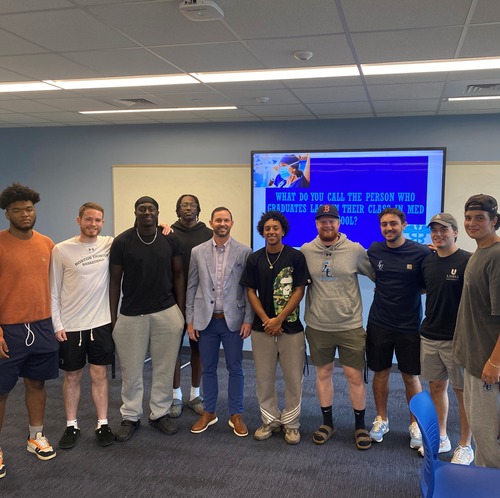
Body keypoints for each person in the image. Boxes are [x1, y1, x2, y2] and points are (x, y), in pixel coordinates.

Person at [109, 196, 185, 442]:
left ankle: (159, 413)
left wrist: (181, 312)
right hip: (131, 315)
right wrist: (113, 317)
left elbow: (179, 274)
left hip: (166, 312)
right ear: (136, 212)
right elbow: (114, 280)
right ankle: (131, 416)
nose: (147, 212)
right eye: (142, 209)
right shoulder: (123, 241)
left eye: (151, 209)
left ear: (157, 212)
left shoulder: (169, 238)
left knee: (164, 368)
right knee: (131, 370)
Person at [300, 205, 374, 449]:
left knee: (354, 376)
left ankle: (360, 426)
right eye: (322, 221)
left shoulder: (355, 250)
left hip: (350, 325)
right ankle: (327, 423)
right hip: (318, 325)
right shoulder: (306, 250)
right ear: (317, 224)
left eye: (332, 221)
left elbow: (379, 275)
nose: (327, 225)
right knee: (323, 374)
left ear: (339, 223)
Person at [0, 183, 59, 479]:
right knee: (1, 391)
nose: (25, 214)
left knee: (37, 383)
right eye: (17, 210)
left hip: (43, 326)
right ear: (7, 213)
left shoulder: (47, 243)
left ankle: (35, 436)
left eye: (29, 208)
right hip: (7, 329)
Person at [240, 210, 311, 445]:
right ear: (262, 231)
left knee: (293, 378)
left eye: (275, 228)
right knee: (264, 377)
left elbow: (300, 289)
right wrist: (266, 320)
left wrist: (279, 319)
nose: (271, 232)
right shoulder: (255, 258)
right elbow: (250, 291)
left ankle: (291, 424)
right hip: (263, 330)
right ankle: (269, 421)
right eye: (267, 228)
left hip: (290, 328)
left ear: (283, 231)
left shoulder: (295, 256)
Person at [50, 202, 115, 449]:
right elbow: (53, 291)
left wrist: (164, 226)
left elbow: (137, 234)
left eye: (98, 220)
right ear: (78, 220)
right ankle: (71, 425)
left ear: (102, 222)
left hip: (100, 323)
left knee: (99, 375)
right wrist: (57, 324)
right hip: (71, 325)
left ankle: (102, 423)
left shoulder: (109, 244)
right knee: (73, 376)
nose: (93, 224)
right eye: (88, 219)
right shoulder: (62, 250)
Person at [186, 207, 253, 436]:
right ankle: (209, 412)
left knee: (236, 368)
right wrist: (190, 321)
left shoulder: (244, 251)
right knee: (209, 369)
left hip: (233, 321)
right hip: (206, 321)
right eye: (218, 220)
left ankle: (236, 414)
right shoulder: (197, 252)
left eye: (226, 220)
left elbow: (248, 288)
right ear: (211, 222)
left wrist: (248, 319)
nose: (222, 223)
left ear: (232, 223)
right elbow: (192, 286)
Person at [366, 207, 430, 449]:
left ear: (404, 224)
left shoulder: (421, 252)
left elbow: (426, 285)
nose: (388, 228)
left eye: (393, 223)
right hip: (379, 323)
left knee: (410, 376)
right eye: (384, 224)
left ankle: (414, 424)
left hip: (409, 326)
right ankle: (381, 419)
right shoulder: (375, 250)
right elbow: (378, 277)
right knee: (380, 373)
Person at [418, 213, 473, 464]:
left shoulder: (467, 261)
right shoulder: (428, 261)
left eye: (444, 229)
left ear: (455, 232)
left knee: (463, 393)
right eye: (434, 230)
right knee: (437, 388)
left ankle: (465, 444)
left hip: (457, 340)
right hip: (429, 335)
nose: (438, 234)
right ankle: (441, 437)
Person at [453, 194, 500, 469]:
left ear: (494, 221)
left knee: (488, 437)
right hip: (475, 361)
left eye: (480, 218)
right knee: (482, 435)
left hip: (487, 364)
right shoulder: (479, 252)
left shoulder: (496, 256)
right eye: (468, 217)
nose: (472, 223)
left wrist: (494, 362)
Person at [168, 194, 212, 419]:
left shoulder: (208, 234)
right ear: (178, 210)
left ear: (198, 209)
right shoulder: (168, 233)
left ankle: (195, 394)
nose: (188, 208)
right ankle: (175, 395)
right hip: (172, 300)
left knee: (198, 348)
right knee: (173, 349)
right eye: (184, 205)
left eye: (192, 205)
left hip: (200, 301)